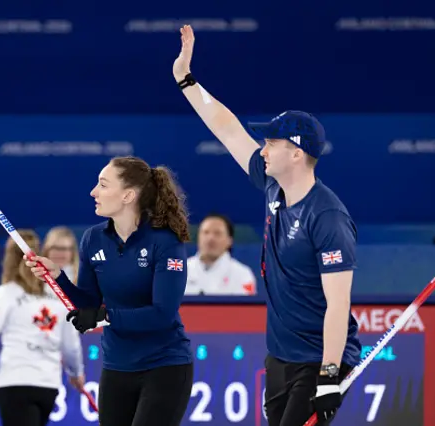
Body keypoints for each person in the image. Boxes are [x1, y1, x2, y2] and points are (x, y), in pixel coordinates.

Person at [172, 25, 362, 426]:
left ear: (296, 154)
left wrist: (329, 374)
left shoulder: (328, 217)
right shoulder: (273, 185)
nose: (262, 148)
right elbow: (227, 128)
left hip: (317, 359)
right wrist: (187, 81)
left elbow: (338, 304)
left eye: (271, 144)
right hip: (280, 354)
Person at [25, 156, 194, 426]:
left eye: (103, 185)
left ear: (128, 195)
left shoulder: (166, 241)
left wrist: (104, 317)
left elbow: (162, 314)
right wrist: (58, 278)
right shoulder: (93, 238)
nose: (93, 192)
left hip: (165, 366)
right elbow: (89, 302)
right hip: (116, 367)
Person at [0, 229, 86, 426]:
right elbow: (71, 346)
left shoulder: (6, 294)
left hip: (16, 382)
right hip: (48, 387)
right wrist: (76, 373)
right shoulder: (60, 296)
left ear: (8, 259)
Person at [185, 213, 257, 296]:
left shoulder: (243, 274)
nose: (210, 238)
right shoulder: (182, 270)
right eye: (206, 232)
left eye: (217, 233)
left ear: (229, 240)